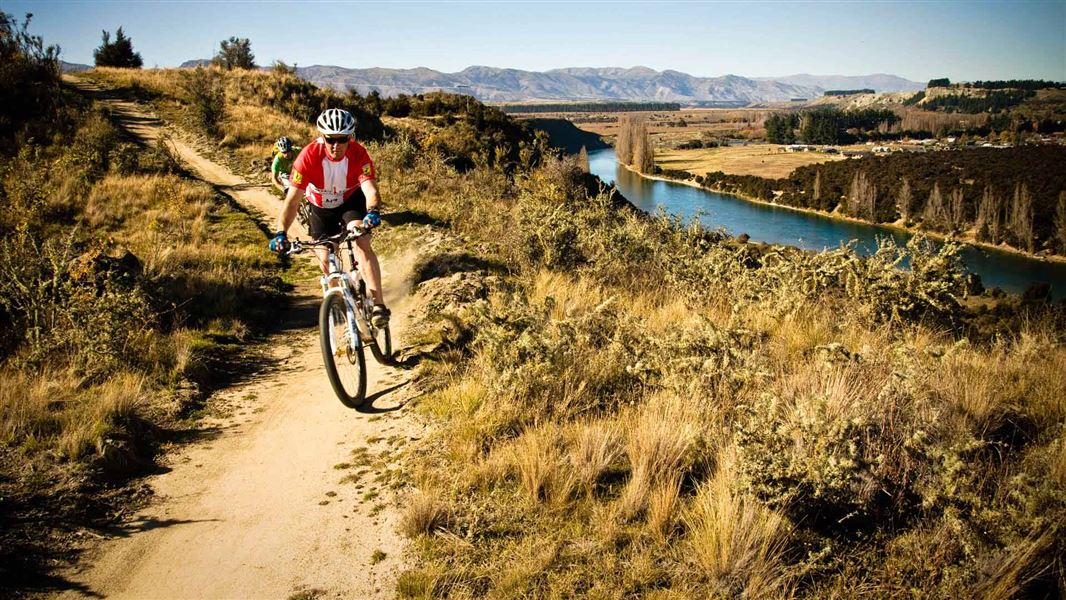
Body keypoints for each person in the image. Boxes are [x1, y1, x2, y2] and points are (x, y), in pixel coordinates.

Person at [269, 109, 389, 327]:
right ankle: (340, 306)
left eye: (342, 139)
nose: (336, 145)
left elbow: (370, 190)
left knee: (361, 241)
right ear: (322, 136)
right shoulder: (307, 157)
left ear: (350, 137)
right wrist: (281, 233)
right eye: (330, 139)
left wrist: (373, 211)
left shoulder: (359, 154)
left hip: (350, 202)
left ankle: (379, 305)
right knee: (325, 257)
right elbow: (292, 202)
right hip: (320, 208)